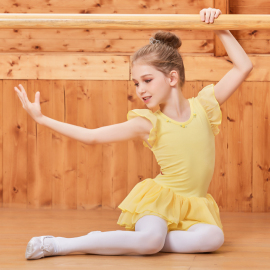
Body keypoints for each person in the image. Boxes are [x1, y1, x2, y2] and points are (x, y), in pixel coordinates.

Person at [14, 8, 253, 260]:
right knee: (150, 241)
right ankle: (62, 244)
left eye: (147, 80)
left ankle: (131, 242)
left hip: (194, 205)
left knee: (214, 238)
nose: (140, 89)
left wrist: (217, 26)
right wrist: (41, 119)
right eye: (136, 83)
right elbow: (92, 136)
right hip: (158, 201)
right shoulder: (148, 122)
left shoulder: (204, 106)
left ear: (172, 78)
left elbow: (243, 66)